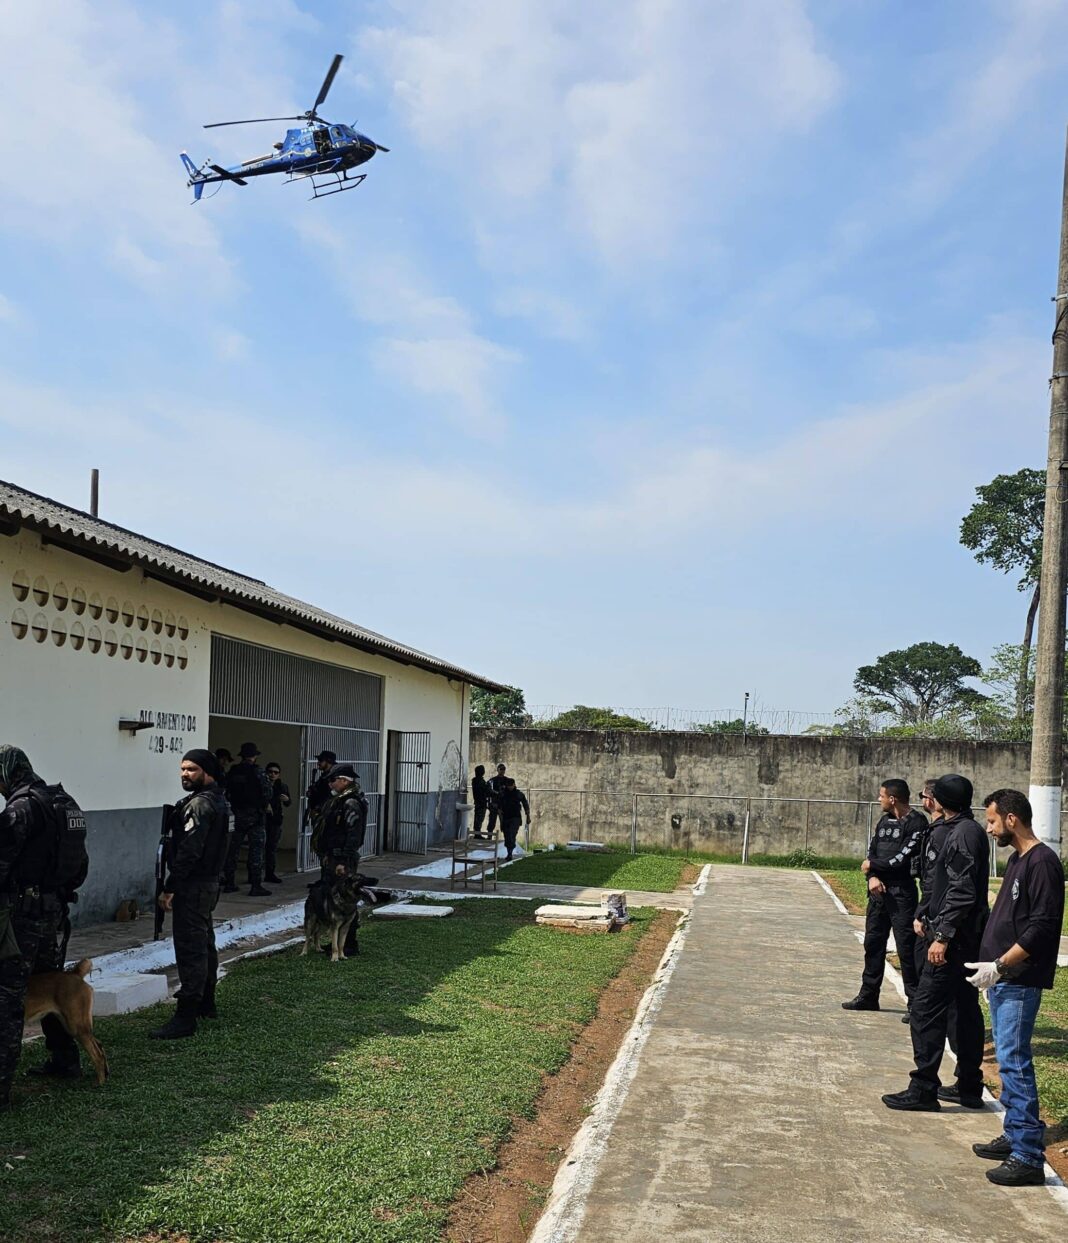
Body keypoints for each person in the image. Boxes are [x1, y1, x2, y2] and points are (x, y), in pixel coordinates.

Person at [967, 789, 1065, 1186]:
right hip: (1004, 980)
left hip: (1019, 980)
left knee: (1014, 1061)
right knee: (1008, 1060)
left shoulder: (1043, 862)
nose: (989, 829)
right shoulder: (1016, 860)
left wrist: (1001, 965)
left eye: (992, 821)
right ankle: (1014, 1133)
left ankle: (1027, 1154)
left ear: (1011, 819)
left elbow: (1041, 927)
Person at [882, 773, 989, 1112]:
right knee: (963, 1008)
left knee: (926, 1009)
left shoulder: (962, 835)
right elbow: (940, 885)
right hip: (960, 935)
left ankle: (924, 1087)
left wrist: (941, 936)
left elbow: (961, 891)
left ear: (942, 800)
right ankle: (970, 1084)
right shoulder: (961, 831)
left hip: (953, 939)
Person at [0, 745, 87, 1104]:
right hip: (54, 912)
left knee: (8, 998)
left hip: (22, 916)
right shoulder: (65, 803)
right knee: (51, 985)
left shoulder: (21, 808)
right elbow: (80, 865)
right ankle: (65, 1060)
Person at [152, 750, 232, 1039]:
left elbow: (189, 850)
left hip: (194, 885)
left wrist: (170, 886)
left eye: (192, 769)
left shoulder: (200, 804)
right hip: (207, 883)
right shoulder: (217, 800)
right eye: (183, 769)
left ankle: (186, 1016)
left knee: (191, 948)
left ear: (207, 771)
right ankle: (206, 1003)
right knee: (204, 943)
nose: (184, 774)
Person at [842, 779, 924, 1013]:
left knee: (906, 948)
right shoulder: (884, 820)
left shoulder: (917, 822)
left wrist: (872, 865)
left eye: (881, 796)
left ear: (893, 798)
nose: (879, 799)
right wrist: (872, 878)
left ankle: (914, 1004)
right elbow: (873, 850)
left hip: (901, 894)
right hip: (878, 892)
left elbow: (904, 858)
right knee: (873, 944)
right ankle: (868, 996)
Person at [313, 764, 368, 956]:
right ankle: (337, 942)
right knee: (333, 898)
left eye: (333, 780)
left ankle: (349, 943)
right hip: (333, 856)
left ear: (344, 781)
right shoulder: (338, 800)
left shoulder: (350, 803)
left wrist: (343, 861)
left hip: (342, 858)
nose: (330, 783)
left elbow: (353, 835)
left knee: (346, 899)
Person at [222, 742, 272, 896]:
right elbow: (267, 793)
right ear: (255, 756)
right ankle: (255, 885)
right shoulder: (258, 772)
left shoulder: (233, 771)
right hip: (254, 816)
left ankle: (229, 882)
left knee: (233, 850)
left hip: (237, 814)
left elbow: (227, 790)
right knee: (256, 850)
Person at [264, 762, 290, 885]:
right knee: (259, 849)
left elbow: (287, 803)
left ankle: (270, 873)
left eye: (276, 772)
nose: (273, 774)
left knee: (272, 848)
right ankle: (255, 875)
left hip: (275, 820)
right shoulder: (262, 785)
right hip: (262, 820)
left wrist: (287, 800)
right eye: (270, 772)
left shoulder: (282, 786)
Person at [496, 778, 530, 861]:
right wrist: (500, 817)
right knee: (507, 836)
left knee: (512, 834)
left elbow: (525, 804)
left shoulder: (518, 794)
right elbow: (499, 806)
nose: (510, 787)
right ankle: (509, 853)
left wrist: (528, 816)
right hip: (506, 818)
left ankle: (510, 854)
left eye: (511, 785)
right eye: (508, 786)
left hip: (515, 818)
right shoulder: (503, 794)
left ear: (514, 785)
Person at [304, 750, 337, 830]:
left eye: (321, 761)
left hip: (326, 816)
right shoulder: (325, 776)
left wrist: (318, 809)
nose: (318, 763)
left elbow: (330, 797)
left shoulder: (334, 777)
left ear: (328, 762)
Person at [486, 763, 508, 837]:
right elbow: (488, 790)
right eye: (501, 769)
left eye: (503, 769)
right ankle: (489, 837)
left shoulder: (507, 780)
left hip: (503, 805)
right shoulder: (492, 780)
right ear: (498, 770)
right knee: (492, 822)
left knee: (504, 823)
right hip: (494, 805)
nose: (502, 770)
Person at [471, 765, 489, 838]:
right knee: (479, 818)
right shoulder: (480, 781)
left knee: (478, 818)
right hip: (481, 802)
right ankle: (477, 834)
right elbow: (486, 791)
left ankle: (477, 833)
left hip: (479, 802)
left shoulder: (476, 780)